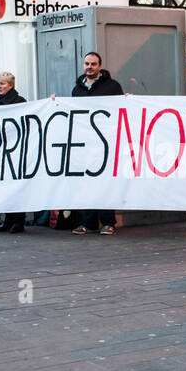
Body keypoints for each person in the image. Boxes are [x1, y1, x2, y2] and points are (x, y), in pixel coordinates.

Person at [70, 52, 123, 235]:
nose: (89, 67)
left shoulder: (112, 86)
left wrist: (128, 101)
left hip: (106, 143)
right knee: (87, 182)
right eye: (86, 63)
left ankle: (108, 222)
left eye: (93, 64)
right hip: (86, 143)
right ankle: (89, 222)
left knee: (105, 182)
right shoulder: (77, 90)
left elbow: (121, 109)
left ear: (100, 66)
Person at [0, 72, 29, 233]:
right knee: (5, 185)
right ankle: (8, 220)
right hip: (1, 148)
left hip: (16, 147)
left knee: (17, 186)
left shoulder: (20, 102)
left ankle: (19, 221)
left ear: (11, 85)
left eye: (3, 84)